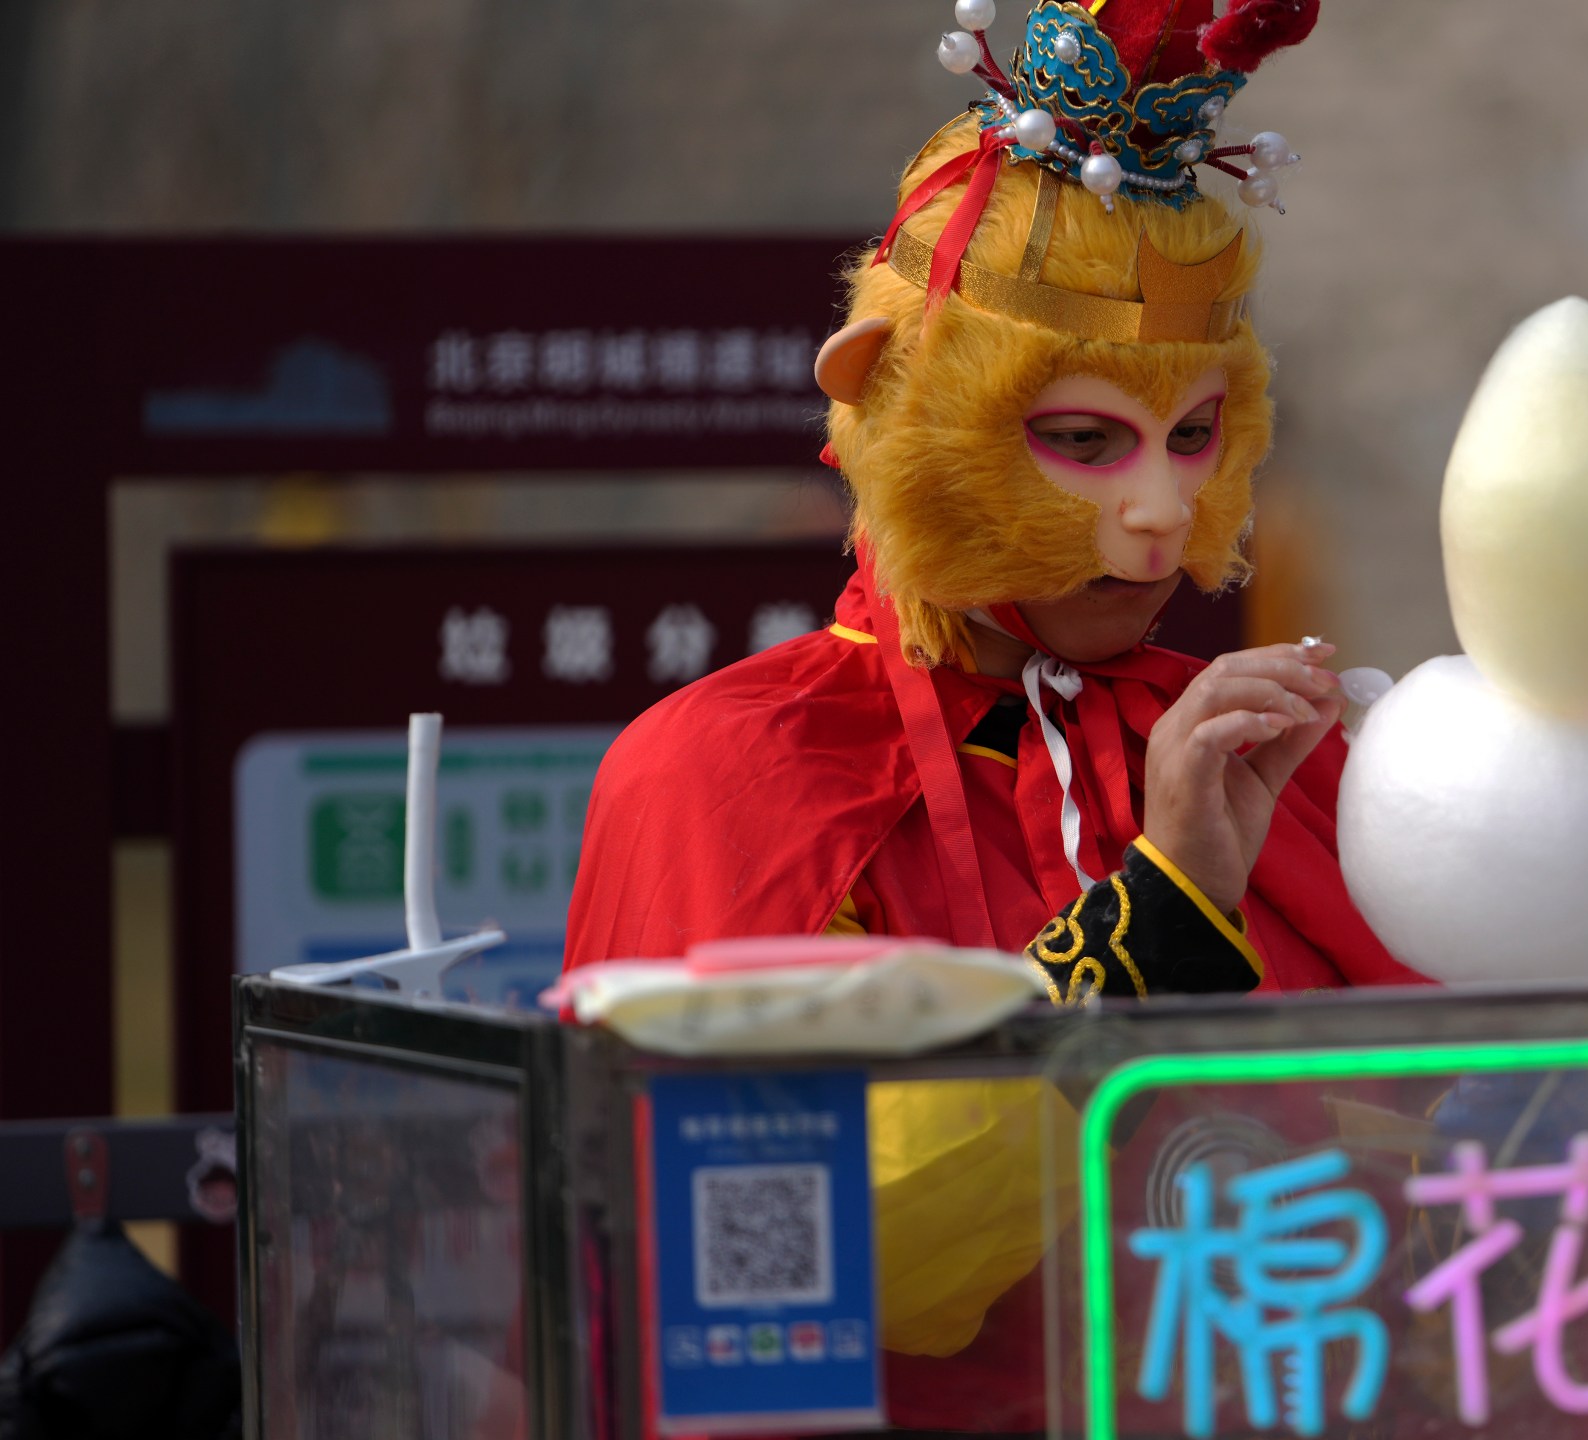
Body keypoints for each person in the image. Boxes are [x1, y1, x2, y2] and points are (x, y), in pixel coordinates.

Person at [560, 0, 1429, 1428]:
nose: (1159, 520)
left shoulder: (1245, 745)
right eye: (1081, 442)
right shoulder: (724, 776)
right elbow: (810, 1253)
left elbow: (1471, 1170)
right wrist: (1160, 919)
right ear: (898, 407)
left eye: (1193, 436)